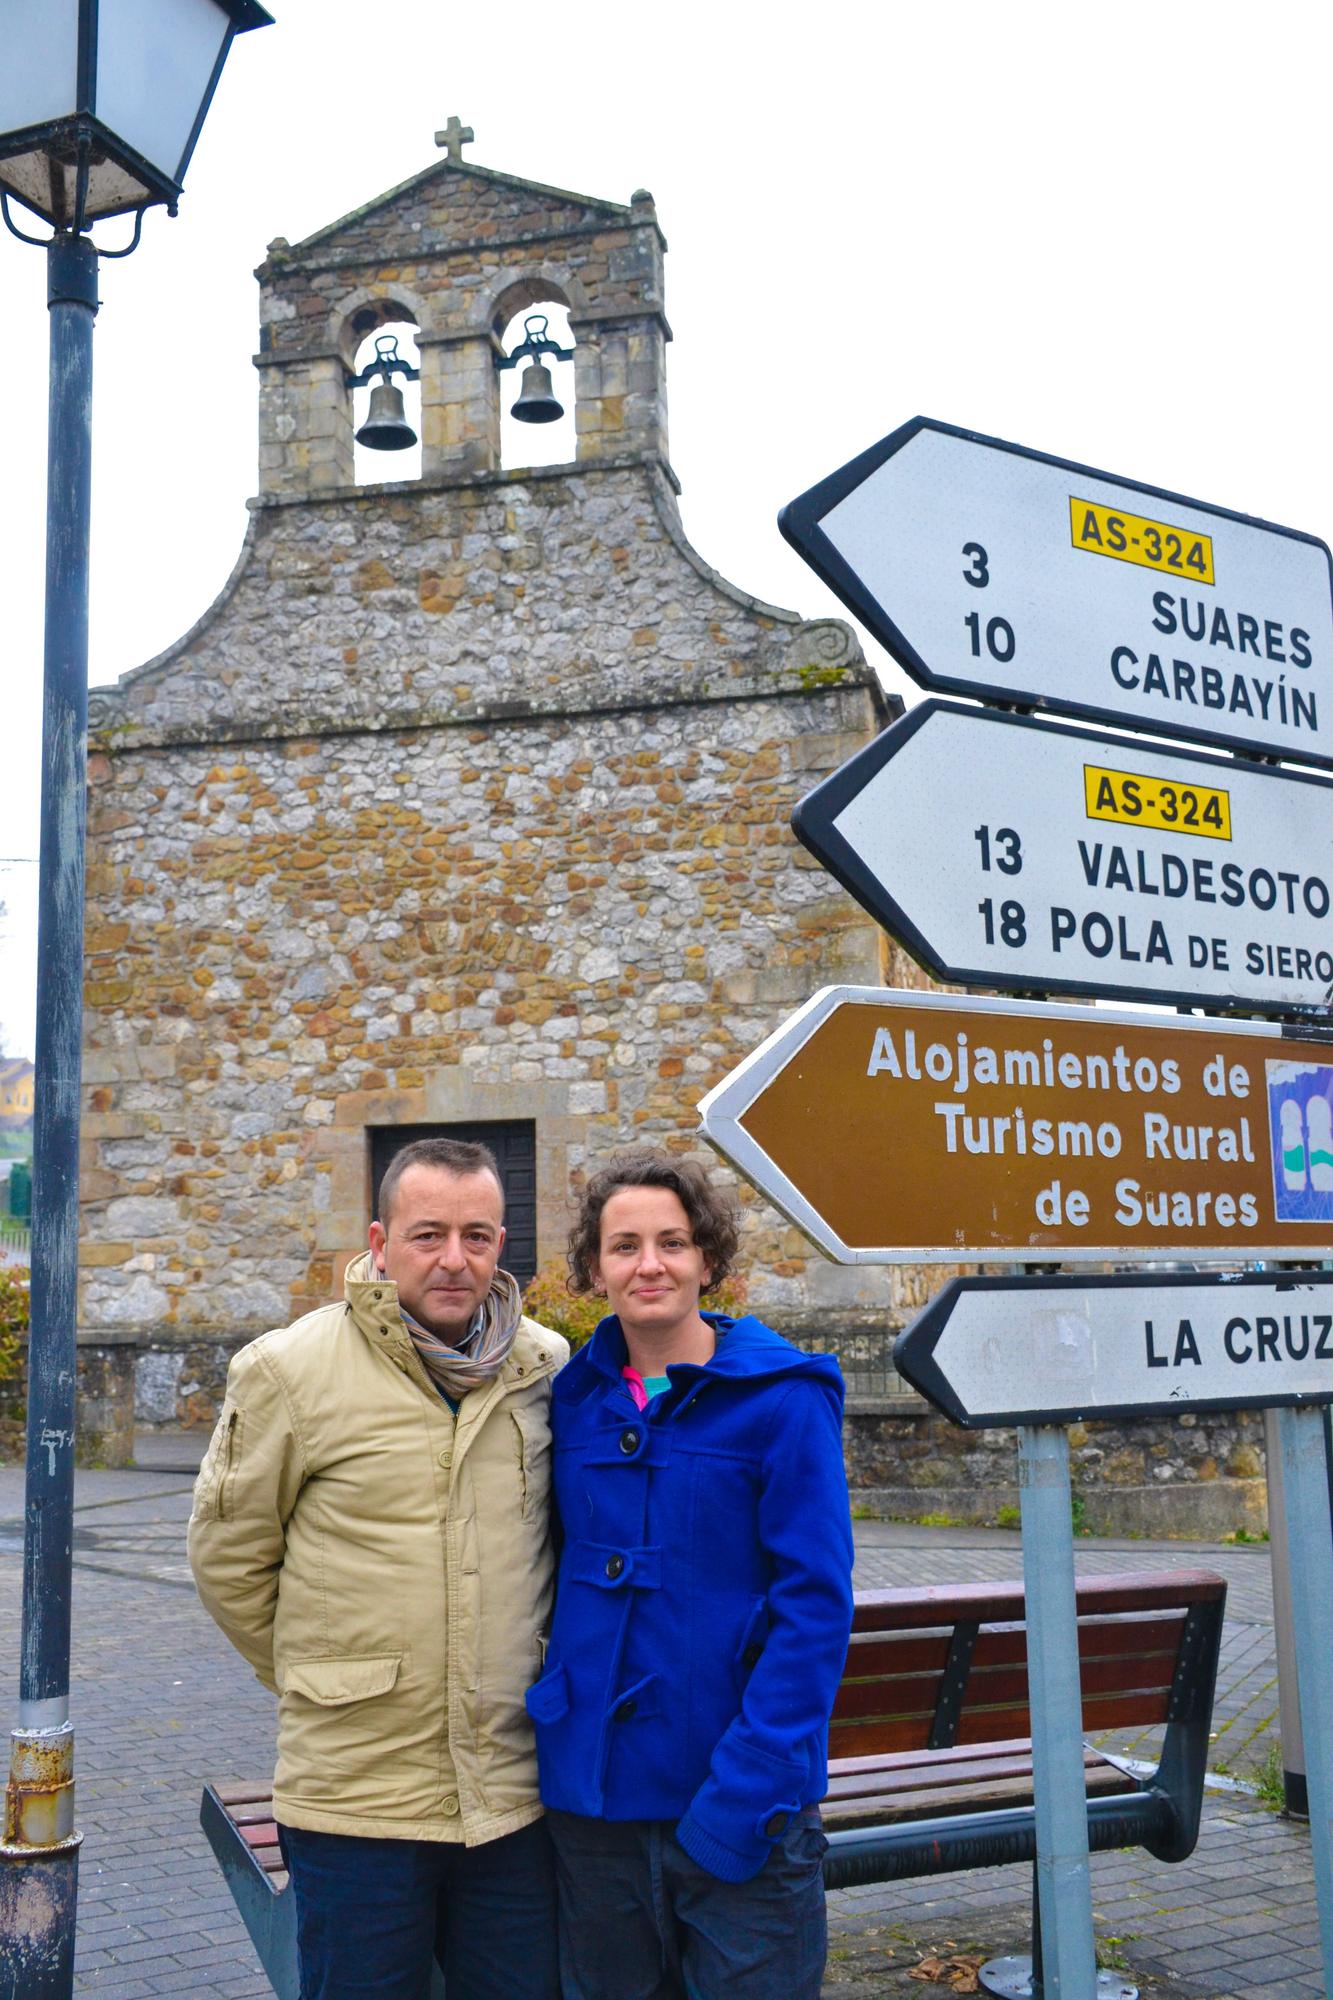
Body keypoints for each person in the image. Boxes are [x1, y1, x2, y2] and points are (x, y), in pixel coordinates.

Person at [188, 1136, 567, 2000]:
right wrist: (320, 1677)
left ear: (500, 1246)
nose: (452, 1259)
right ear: (378, 1240)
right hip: (356, 1798)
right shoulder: (289, 1370)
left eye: (476, 1236)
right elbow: (228, 1557)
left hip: (511, 1793)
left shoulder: (543, 1366)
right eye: (426, 1234)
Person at [526, 1147, 854, 2000]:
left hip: (739, 1800)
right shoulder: (569, 1400)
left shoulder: (784, 1397)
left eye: (671, 1243)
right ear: (593, 1269)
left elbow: (813, 1609)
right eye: (624, 1245)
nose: (650, 1265)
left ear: (707, 1258)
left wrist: (750, 1786)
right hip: (592, 1806)